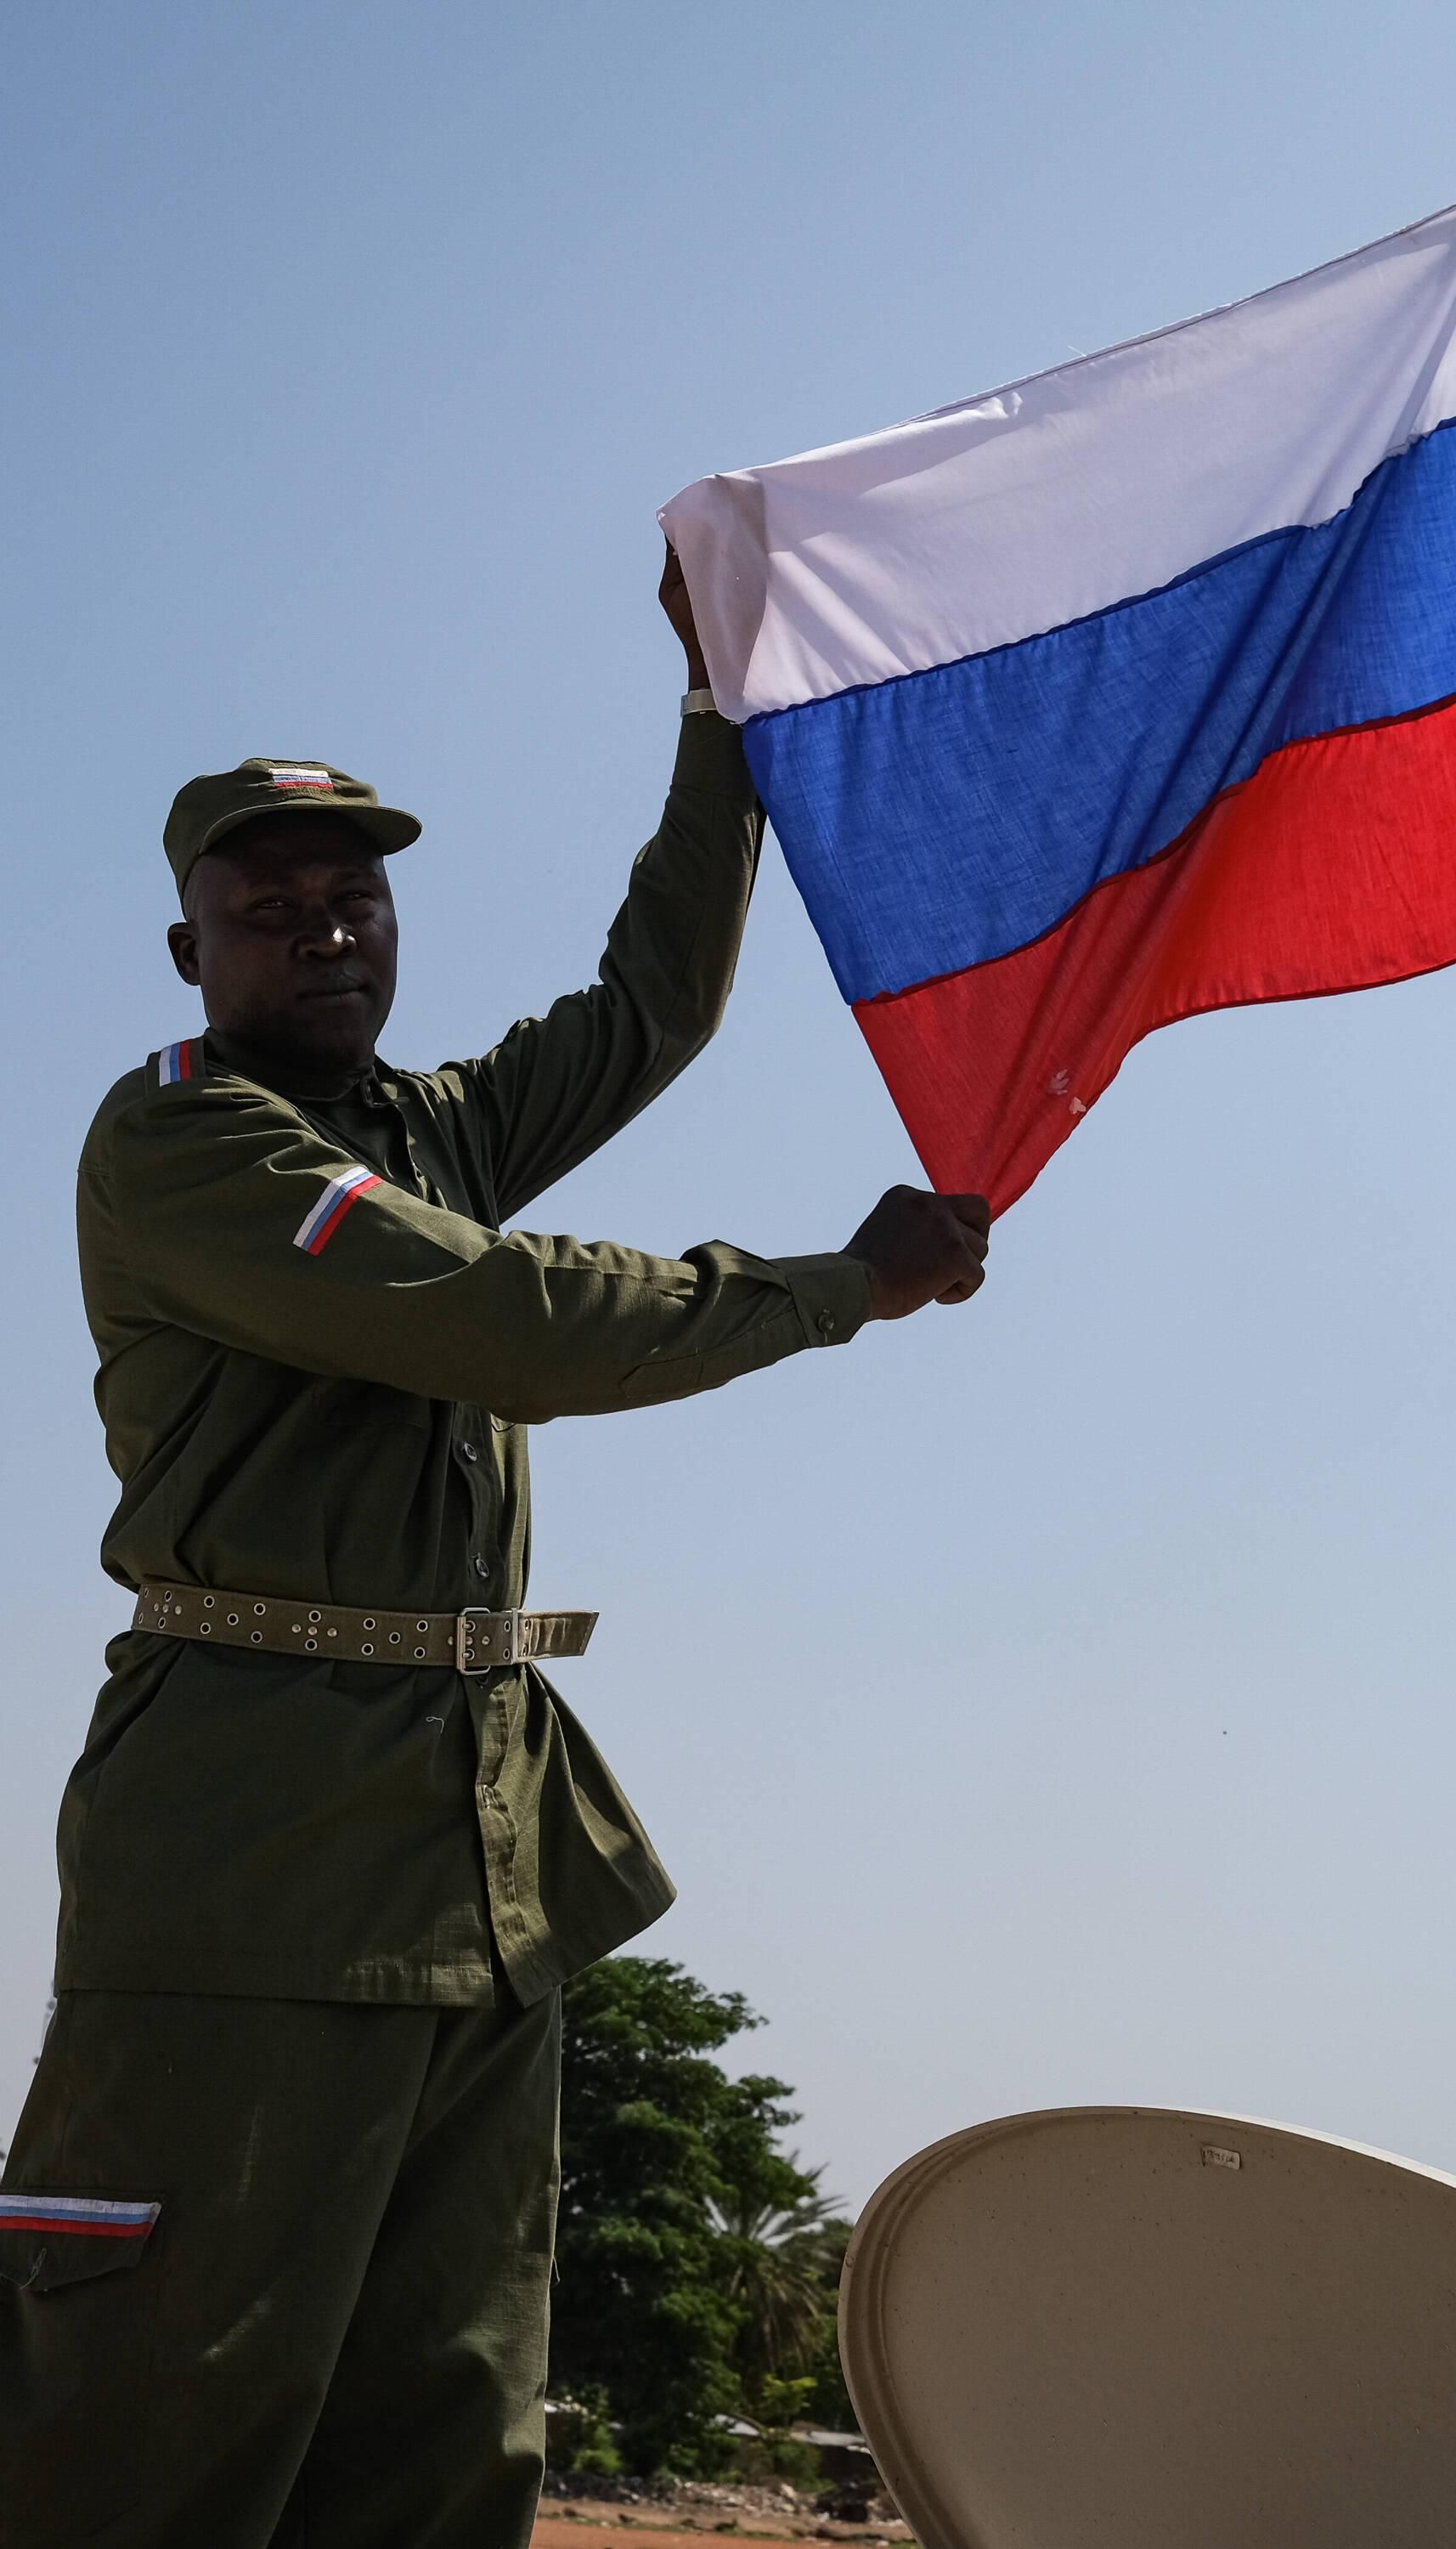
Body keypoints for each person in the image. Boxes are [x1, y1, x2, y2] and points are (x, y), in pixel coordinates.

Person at [0, 548, 990, 2546]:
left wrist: (721, 721)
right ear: (189, 951)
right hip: (246, 1853)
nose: (326, 927)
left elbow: (648, 1008)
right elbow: (501, 1320)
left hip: (482, 1857)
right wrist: (829, 1287)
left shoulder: (427, 1125)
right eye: (267, 907)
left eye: (356, 891)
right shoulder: (186, 1143)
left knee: (447, 2422)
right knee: (153, 2416)